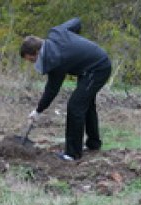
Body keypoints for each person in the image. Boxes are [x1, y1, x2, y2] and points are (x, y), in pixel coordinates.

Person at [20, 17, 111, 160]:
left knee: (75, 106)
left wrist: (38, 111)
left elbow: (52, 90)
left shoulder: (55, 61)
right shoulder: (56, 33)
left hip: (99, 68)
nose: (33, 63)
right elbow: (77, 22)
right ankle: (93, 144)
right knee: (85, 104)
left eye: (32, 60)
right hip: (88, 68)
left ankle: (72, 154)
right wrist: (76, 45)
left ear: (38, 52)